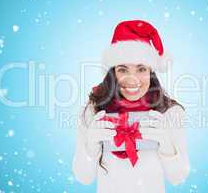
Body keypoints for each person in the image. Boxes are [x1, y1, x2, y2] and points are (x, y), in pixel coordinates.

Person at [72, 20, 190, 193]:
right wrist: (90, 146)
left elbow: (178, 178)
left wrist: (166, 145)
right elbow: (83, 178)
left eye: (141, 69)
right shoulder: (94, 110)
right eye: (123, 69)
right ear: (113, 73)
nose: (132, 79)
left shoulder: (170, 112)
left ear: (151, 71)